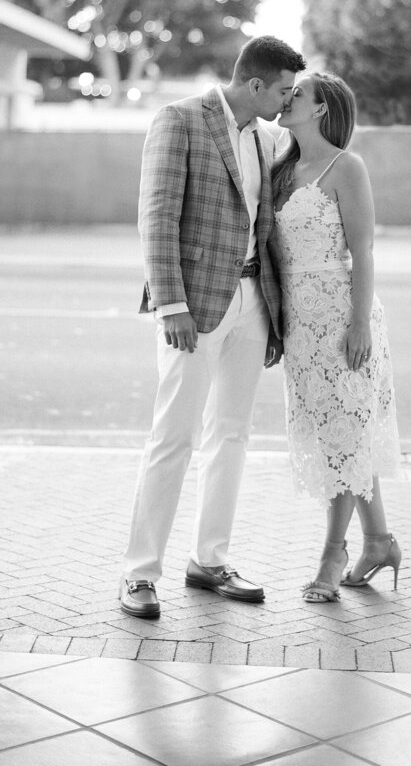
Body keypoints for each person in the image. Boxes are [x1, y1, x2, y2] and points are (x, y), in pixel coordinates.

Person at [119, 36, 306, 619]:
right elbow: (156, 217)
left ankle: (210, 560)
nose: (288, 100)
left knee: (231, 434)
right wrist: (170, 304)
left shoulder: (266, 138)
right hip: (194, 304)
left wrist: (274, 312)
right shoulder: (178, 120)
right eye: (283, 90)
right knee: (173, 437)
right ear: (255, 84)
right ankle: (139, 573)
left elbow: (266, 225)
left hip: (253, 301)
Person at [271, 71, 402, 602]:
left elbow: (362, 252)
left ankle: (332, 556)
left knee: (345, 434)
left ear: (321, 108)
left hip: (343, 316)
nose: (286, 99)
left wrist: (358, 323)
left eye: (297, 93)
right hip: (300, 327)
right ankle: (380, 543)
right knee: (341, 436)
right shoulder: (280, 169)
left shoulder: (346, 167)